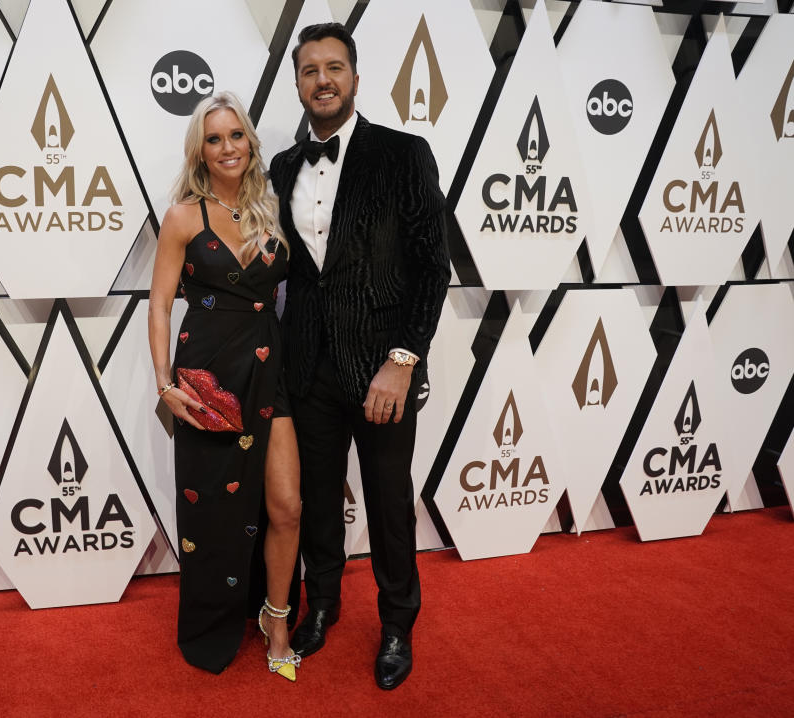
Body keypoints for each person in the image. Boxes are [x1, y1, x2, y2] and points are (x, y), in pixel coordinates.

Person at [269, 23, 450, 690]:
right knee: (318, 500)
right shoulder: (283, 167)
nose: (322, 79)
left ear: (354, 75)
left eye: (334, 67)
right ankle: (321, 608)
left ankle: (398, 623)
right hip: (307, 366)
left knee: (388, 502)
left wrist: (402, 360)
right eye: (310, 69)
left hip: (382, 370)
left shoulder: (402, 153)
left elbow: (432, 267)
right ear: (297, 82)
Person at [148, 92, 302, 680]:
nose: (227, 147)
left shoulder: (272, 207)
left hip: (269, 371)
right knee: (211, 510)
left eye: (235, 135)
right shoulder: (184, 216)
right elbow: (161, 306)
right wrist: (165, 386)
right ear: (200, 152)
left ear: (250, 141)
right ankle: (214, 621)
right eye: (214, 139)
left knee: (286, 506)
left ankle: (276, 615)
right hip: (207, 378)